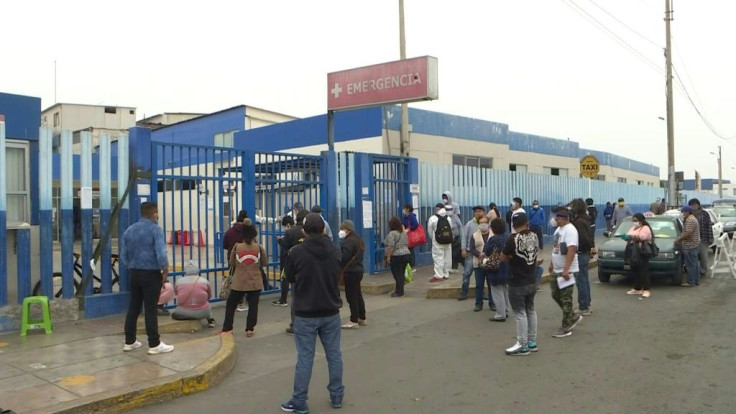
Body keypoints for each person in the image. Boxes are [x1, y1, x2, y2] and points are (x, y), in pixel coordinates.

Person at [281, 213, 344, 413]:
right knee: (334, 355)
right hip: (331, 310)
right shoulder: (335, 250)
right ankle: (336, 396)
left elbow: (289, 276)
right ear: (324, 229)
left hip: (305, 313)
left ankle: (299, 401)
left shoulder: (296, 252)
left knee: (305, 358)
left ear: (304, 231)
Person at [121, 201, 174, 355]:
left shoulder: (129, 230)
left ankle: (129, 341)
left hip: (134, 273)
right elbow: (161, 253)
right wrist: (165, 269)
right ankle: (154, 343)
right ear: (154, 214)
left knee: (134, 307)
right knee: (150, 308)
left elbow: (123, 256)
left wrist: (132, 266)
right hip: (151, 274)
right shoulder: (156, 230)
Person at [501, 212, 539, 355]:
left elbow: (502, 257)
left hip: (517, 281)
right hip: (531, 279)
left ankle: (522, 345)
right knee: (531, 309)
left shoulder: (513, 239)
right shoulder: (534, 236)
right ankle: (532, 341)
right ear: (526, 223)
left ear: (512, 225)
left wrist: (511, 256)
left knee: (520, 313)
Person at [221, 219, 266, 337]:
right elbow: (264, 263)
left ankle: (228, 328)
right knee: (253, 306)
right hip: (255, 281)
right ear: (254, 235)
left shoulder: (237, 247)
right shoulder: (259, 247)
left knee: (231, 304)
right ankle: (250, 329)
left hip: (239, 282)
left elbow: (232, 263)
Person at [548, 206, 583, 338]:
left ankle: (566, 326)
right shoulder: (558, 229)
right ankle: (572, 316)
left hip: (567, 271)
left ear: (563, 218)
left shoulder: (570, 230)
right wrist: (552, 263)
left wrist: (566, 270)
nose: (554, 220)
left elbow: (572, 249)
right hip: (557, 269)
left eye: (556, 218)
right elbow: (555, 248)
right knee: (555, 294)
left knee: (566, 298)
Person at [281, 209, 309, 334]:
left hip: (295, 270)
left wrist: (287, 271)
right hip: (309, 270)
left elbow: (285, 253)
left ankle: (294, 324)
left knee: (295, 298)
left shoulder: (290, 232)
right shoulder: (309, 232)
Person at [171, 261, 216, 328]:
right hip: (203, 312)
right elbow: (209, 296)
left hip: (183, 312)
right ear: (198, 269)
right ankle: (210, 320)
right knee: (207, 304)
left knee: (175, 312)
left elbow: (176, 294)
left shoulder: (179, 282)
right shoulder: (204, 281)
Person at [339, 220, 367, 329]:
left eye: (342, 229)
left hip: (350, 271)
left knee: (351, 296)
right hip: (358, 269)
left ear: (347, 229)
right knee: (358, 294)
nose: (341, 231)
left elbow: (344, 256)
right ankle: (362, 317)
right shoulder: (358, 239)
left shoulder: (349, 241)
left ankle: (353, 320)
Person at [570, 198, 595, 316]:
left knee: (581, 281)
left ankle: (583, 306)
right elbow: (589, 236)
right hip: (584, 253)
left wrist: (583, 247)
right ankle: (587, 304)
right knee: (584, 280)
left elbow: (583, 238)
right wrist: (591, 247)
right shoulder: (585, 219)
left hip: (580, 254)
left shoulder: (578, 222)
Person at [483, 218, 511, 322]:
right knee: (505, 289)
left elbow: (487, 251)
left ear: (494, 228)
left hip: (496, 268)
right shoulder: (508, 238)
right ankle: (506, 310)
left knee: (497, 291)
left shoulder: (493, 239)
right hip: (506, 267)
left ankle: (500, 314)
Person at [621, 213, 653, 298]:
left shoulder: (645, 228)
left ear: (641, 220)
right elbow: (629, 235)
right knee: (635, 269)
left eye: (636, 221)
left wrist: (631, 236)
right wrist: (626, 237)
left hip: (641, 251)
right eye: (633, 221)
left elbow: (642, 237)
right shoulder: (633, 228)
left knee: (643, 270)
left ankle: (646, 289)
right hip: (632, 251)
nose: (634, 222)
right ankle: (637, 288)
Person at [224, 210, 250, 312]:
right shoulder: (247, 232)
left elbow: (225, 245)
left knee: (234, 280)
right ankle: (241, 301)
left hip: (232, 259)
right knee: (244, 280)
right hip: (245, 259)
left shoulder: (229, 231)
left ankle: (233, 302)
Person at [458, 205, 485, 301]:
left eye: (480, 211)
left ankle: (482, 294)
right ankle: (464, 292)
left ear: (484, 212)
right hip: (470, 252)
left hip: (482, 253)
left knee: (482, 275)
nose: (478, 213)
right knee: (467, 273)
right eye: (476, 212)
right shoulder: (469, 224)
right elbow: (464, 237)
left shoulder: (487, 224)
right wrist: (463, 249)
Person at [469, 215, 495, 311]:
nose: (483, 224)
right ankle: (478, 304)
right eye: (481, 223)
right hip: (478, 263)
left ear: (488, 224)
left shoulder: (493, 234)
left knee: (491, 284)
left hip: (491, 263)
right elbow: (472, 248)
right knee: (479, 285)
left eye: (485, 222)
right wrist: (479, 254)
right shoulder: (474, 235)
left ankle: (492, 303)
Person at [384, 216, 412, 298]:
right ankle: (400, 290)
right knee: (401, 273)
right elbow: (407, 243)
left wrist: (388, 257)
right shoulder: (403, 232)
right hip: (406, 254)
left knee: (397, 274)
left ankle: (399, 291)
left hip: (397, 255)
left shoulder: (392, 233)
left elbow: (391, 246)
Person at [675, 205, 701, 287]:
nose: (683, 214)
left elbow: (688, 233)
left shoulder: (690, 220)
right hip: (693, 245)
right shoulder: (691, 219)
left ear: (688, 212)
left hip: (690, 245)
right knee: (694, 264)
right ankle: (696, 281)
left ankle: (691, 281)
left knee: (690, 265)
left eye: (684, 212)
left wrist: (679, 240)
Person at [273, 215, 295, 307]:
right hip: (296, 260)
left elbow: (286, 246)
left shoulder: (289, 232)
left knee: (284, 279)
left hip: (286, 259)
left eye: (284, 226)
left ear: (288, 225)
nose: (284, 228)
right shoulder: (299, 231)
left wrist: (280, 241)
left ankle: (283, 299)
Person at [688, 198, 713, 279]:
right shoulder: (689, 214)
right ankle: (695, 272)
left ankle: (703, 271)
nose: (693, 206)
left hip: (703, 239)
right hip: (692, 239)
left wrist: (710, 239)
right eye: (691, 205)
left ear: (698, 205)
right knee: (693, 257)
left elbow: (709, 226)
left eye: (695, 204)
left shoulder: (704, 214)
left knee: (703, 257)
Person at [427, 203, 452, 282]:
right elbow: (451, 228)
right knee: (446, 258)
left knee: (438, 258)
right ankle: (445, 274)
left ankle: (438, 275)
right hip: (448, 241)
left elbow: (430, 231)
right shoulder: (448, 218)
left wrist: (433, 238)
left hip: (437, 242)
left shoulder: (433, 218)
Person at [444, 204, 464, 273]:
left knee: (455, 253)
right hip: (447, 239)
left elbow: (460, 226)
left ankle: (455, 267)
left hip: (456, 239)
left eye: (450, 210)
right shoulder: (443, 218)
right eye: (447, 210)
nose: (448, 211)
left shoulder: (455, 217)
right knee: (449, 254)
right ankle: (450, 267)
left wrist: (461, 237)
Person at [402, 204, 419, 270]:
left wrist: (409, 229)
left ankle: (411, 266)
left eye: (404, 208)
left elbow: (415, 224)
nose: (403, 210)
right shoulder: (406, 216)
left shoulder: (411, 216)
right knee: (408, 250)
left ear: (408, 209)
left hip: (410, 235)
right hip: (406, 235)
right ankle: (408, 265)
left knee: (410, 250)